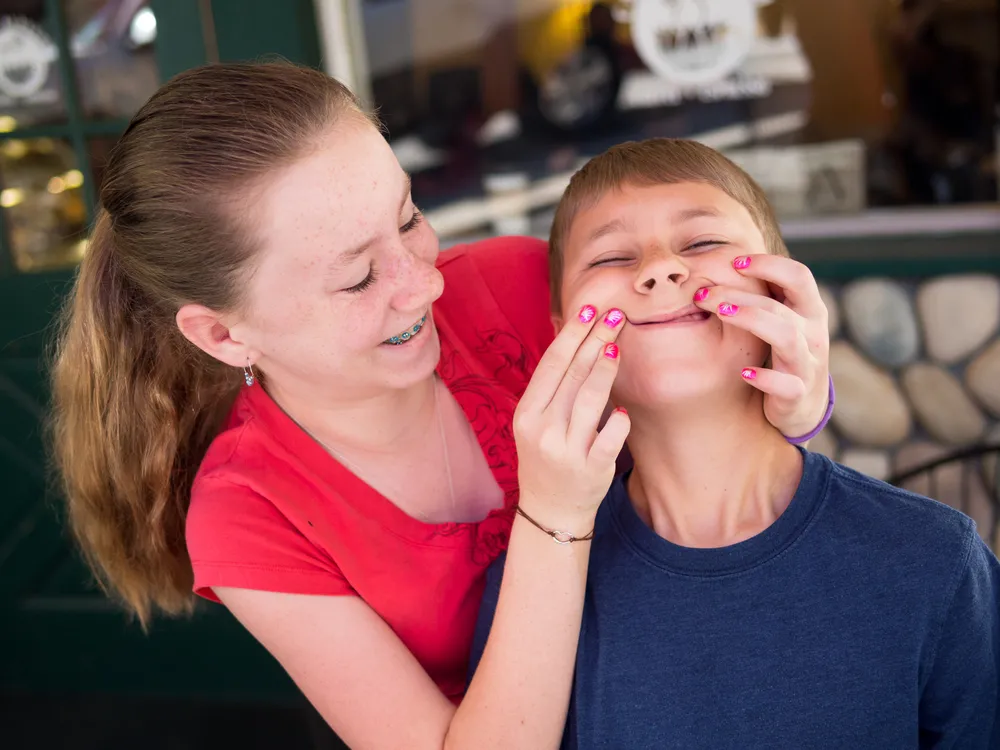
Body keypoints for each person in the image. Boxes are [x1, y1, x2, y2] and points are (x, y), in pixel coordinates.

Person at [49, 63, 833, 749]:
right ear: (224, 334)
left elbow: (713, 423)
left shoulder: (518, 286)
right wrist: (554, 516)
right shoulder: (249, 516)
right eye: (358, 278)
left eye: (409, 218)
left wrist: (794, 414)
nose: (423, 282)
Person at [471, 138, 1000, 749]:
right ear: (563, 332)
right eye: (611, 256)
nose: (659, 268)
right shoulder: (534, 590)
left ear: (781, 292)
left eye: (702, 242)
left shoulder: (933, 560)